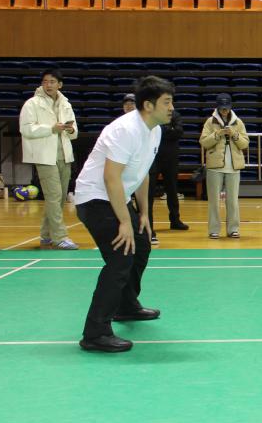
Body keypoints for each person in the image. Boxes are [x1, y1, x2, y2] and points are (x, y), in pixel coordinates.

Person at [74, 76, 173, 353]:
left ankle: (126, 305)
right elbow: (111, 177)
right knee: (121, 258)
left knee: (141, 245)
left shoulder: (154, 130)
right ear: (148, 105)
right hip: (95, 198)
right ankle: (95, 333)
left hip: (116, 197)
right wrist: (124, 221)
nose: (171, 108)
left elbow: (142, 174)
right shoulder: (125, 130)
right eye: (167, 102)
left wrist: (143, 215)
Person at [19, 68, 79, 250]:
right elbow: (26, 129)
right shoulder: (32, 104)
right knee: (54, 196)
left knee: (59, 199)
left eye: (52, 81)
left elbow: (74, 132)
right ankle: (59, 237)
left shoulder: (65, 103)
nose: (48, 85)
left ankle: (46, 236)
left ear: (60, 84)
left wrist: (71, 130)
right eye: (45, 81)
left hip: (64, 155)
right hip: (45, 157)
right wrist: (51, 129)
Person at [199, 93, 249, 240]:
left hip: (233, 167)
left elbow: (245, 143)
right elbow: (204, 142)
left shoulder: (238, 122)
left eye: (226, 108)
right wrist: (218, 134)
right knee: (213, 201)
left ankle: (233, 229)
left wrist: (234, 134)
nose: (224, 111)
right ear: (218, 107)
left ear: (230, 107)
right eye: (222, 108)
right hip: (214, 167)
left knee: (233, 201)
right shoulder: (210, 122)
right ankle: (214, 230)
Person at [147, 107, 188, 245]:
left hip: (171, 158)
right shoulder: (153, 115)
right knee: (149, 193)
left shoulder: (175, 115)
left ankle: (175, 220)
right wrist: (168, 129)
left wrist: (162, 129)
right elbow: (152, 131)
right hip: (153, 157)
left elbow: (179, 132)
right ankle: (148, 225)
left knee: (172, 190)